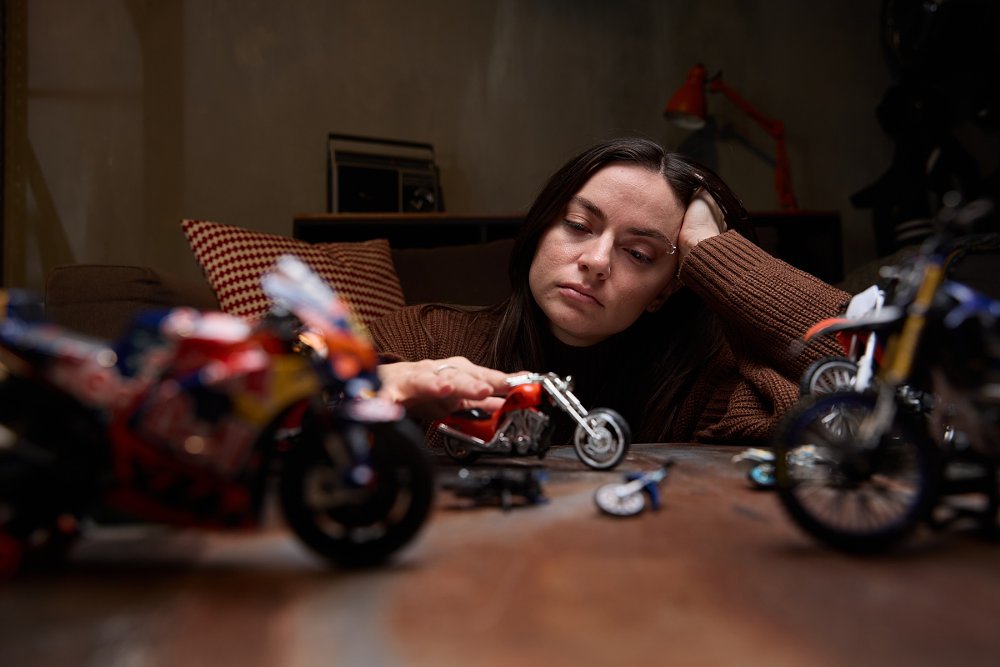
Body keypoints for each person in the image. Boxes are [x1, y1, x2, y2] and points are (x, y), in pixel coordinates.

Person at [370, 137, 850, 444]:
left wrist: (711, 251)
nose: (596, 262)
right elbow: (310, 401)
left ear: (665, 291)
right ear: (540, 231)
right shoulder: (424, 338)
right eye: (579, 225)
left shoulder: (698, 395)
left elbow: (861, 380)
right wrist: (377, 390)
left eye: (639, 254)